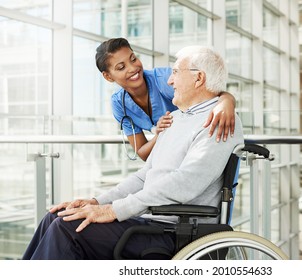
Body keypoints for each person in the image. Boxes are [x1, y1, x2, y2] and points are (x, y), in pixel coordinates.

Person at [22, 45, 244, 260]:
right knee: (55, 216)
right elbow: (144, 175)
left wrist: (115, 210)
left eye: (175, 72)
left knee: (67, 228)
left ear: (198, 78)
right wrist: (96, 202)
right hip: (147, 220)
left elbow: (184, 183)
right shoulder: (174, 118)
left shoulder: (218, 122)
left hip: (174, 230)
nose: (170, 80)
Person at [95, 37, 237, 161]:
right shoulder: (119, 103)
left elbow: (209, 90)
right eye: (121, 67)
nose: (133, 68)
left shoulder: (163, 80)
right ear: (108, 76)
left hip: (196, 148)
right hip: (168, 156)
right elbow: (143, 153)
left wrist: (226, 101)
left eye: (133, 59)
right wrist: (160, 134)